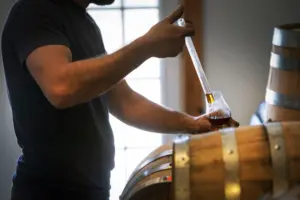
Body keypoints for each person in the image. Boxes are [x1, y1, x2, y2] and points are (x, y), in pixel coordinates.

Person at [1, 0, 239, 199]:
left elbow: (125, 102)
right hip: (48, 193)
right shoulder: (35, 11)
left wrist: (193, 124)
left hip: (93, 191)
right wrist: (146, 46)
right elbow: (62, 87)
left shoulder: (85, 23)